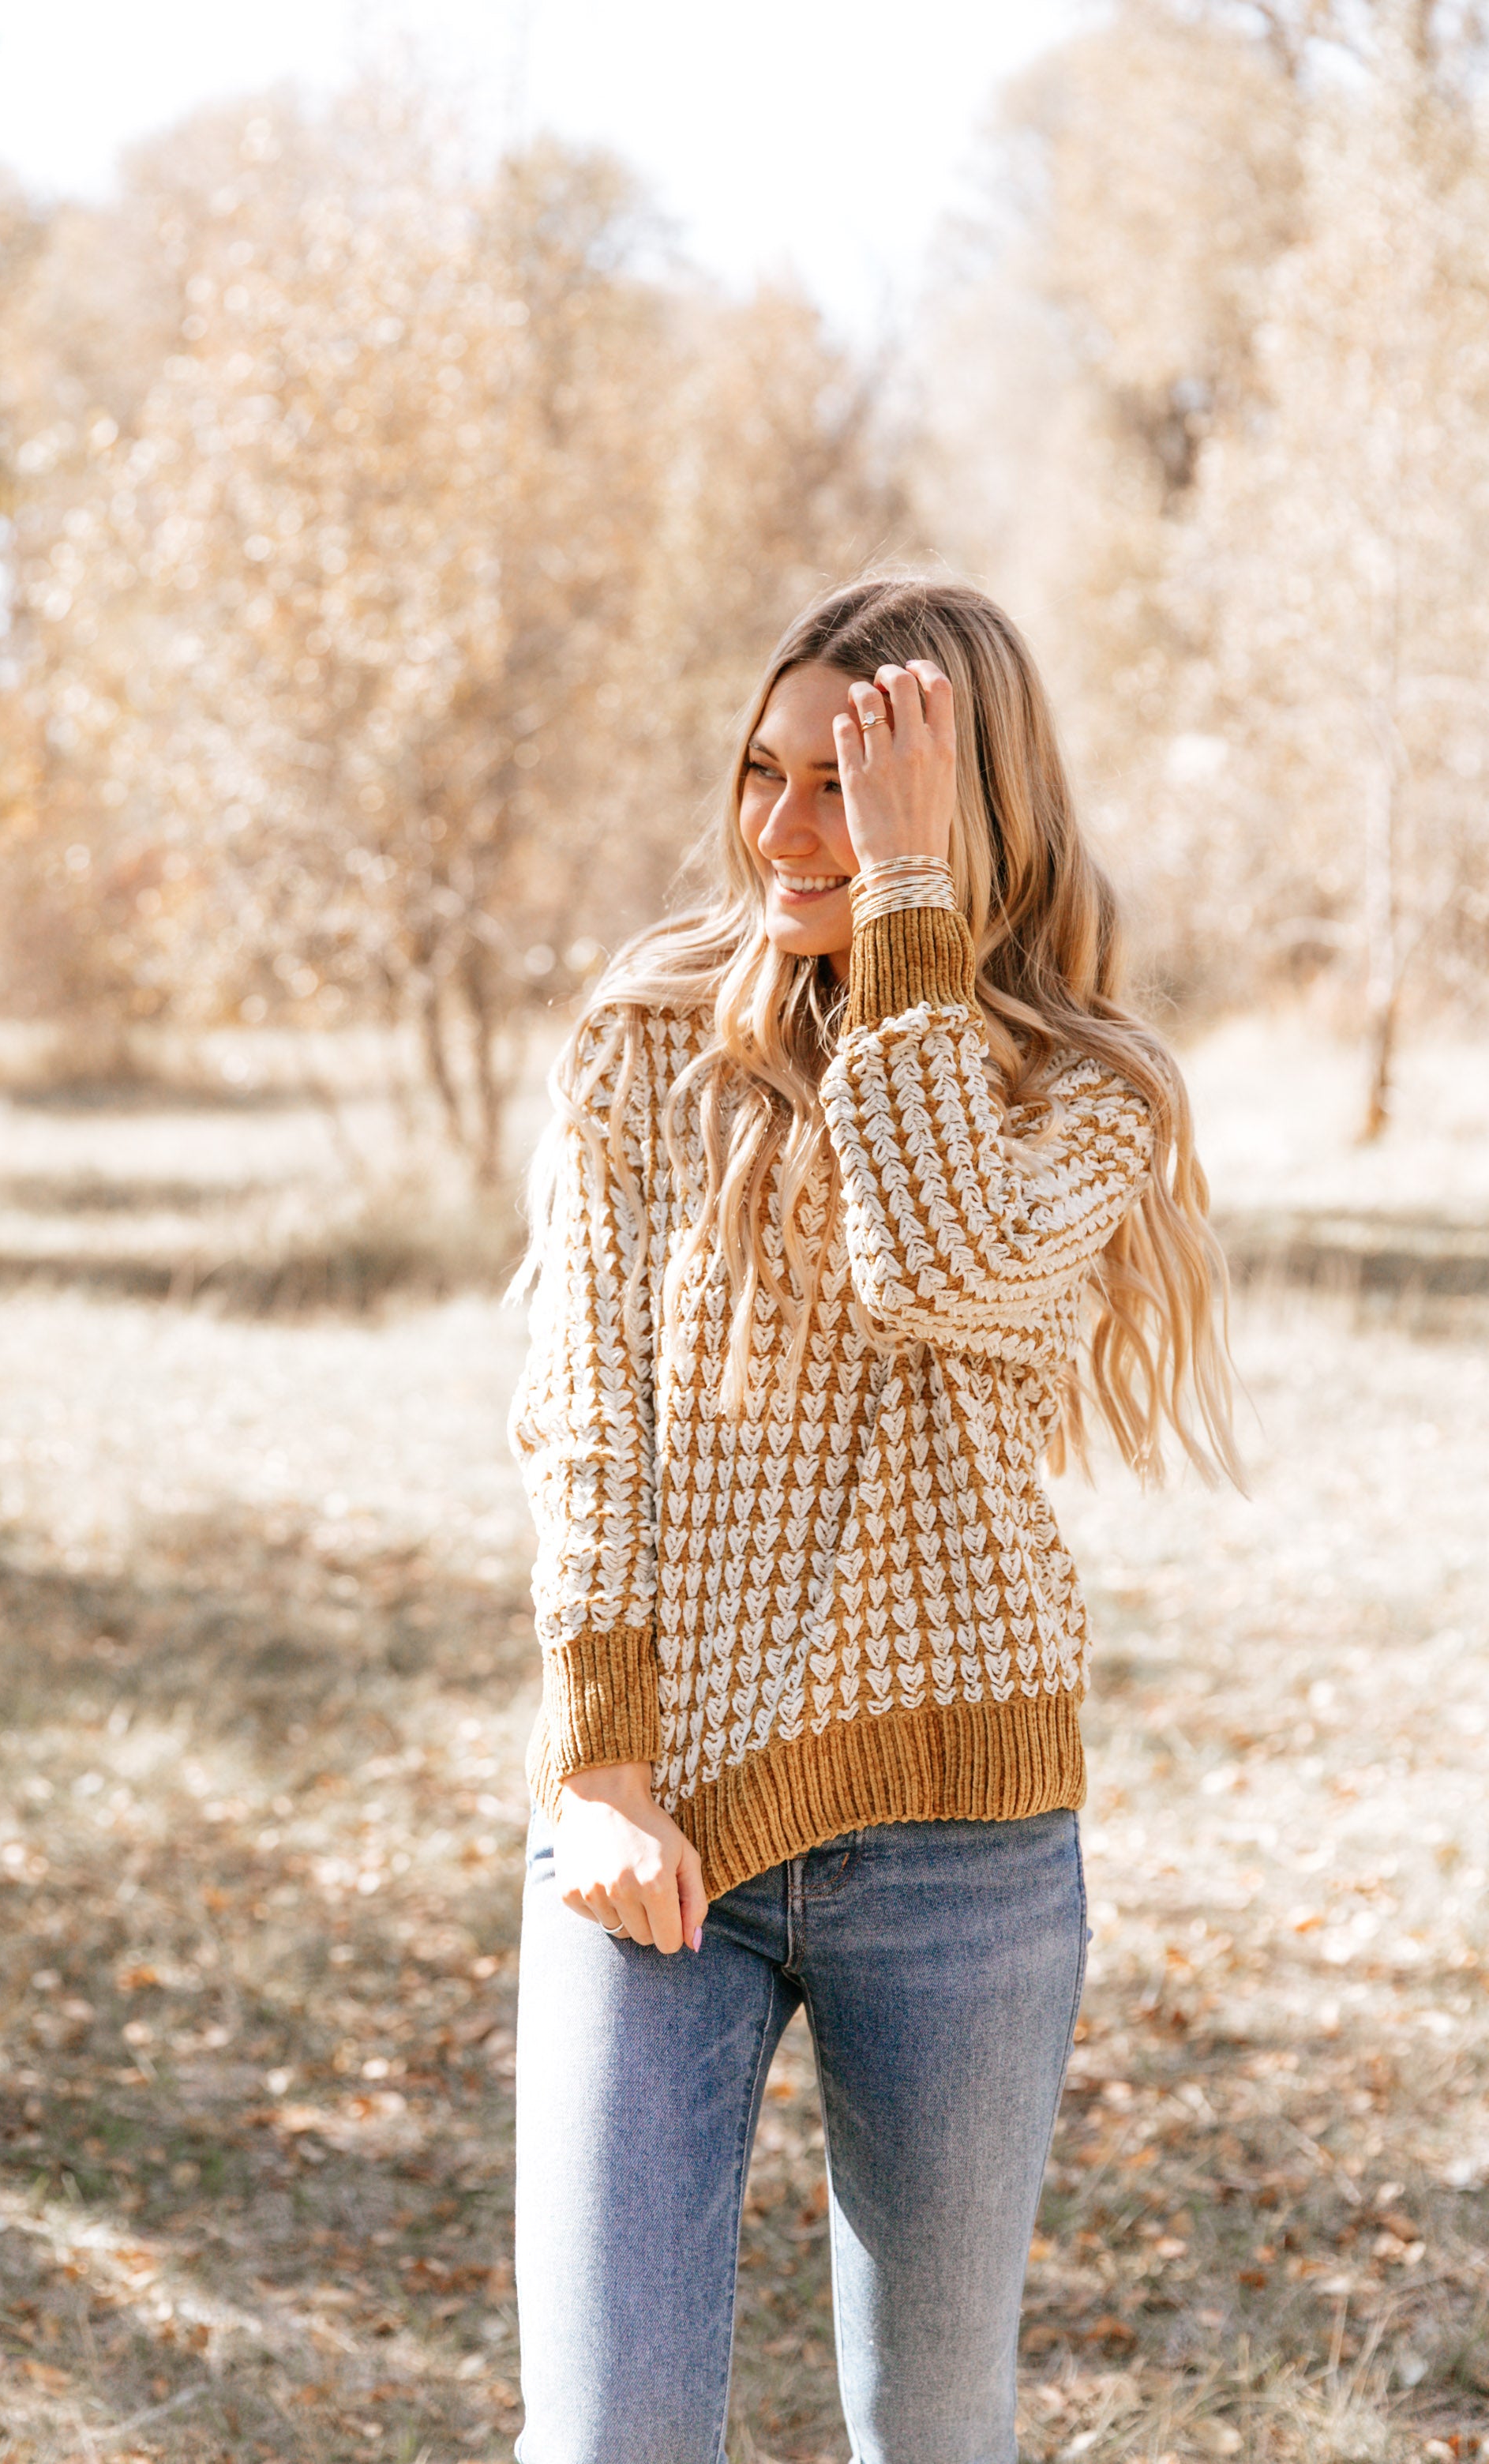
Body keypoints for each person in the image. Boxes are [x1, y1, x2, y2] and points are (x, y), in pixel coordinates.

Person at [507, 577, 1239, 2464]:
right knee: (605, 2438)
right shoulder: (645, 1042)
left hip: (958, 1855)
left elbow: (939, 1262)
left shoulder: (1084, 1090)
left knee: (932, 2433)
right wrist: (598, 1764)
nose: (782, 827)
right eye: (763, 773)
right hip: (655, 1824)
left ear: (961, 807)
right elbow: (586, 1415)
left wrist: (906, 920)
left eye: (845, 783)